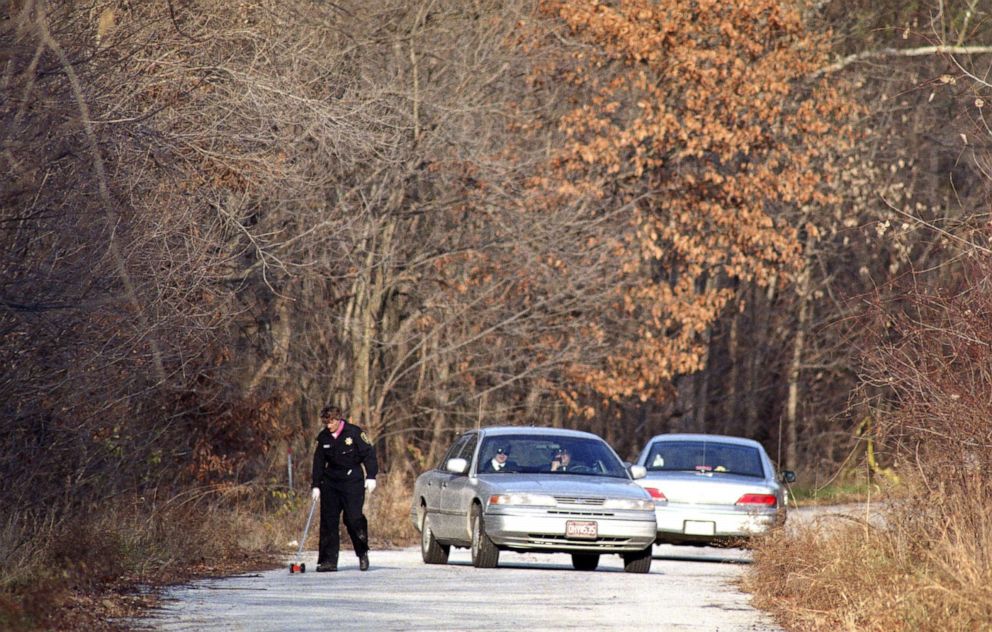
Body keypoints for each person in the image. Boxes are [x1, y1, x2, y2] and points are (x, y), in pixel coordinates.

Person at [310, 405, 378, 572]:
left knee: (353, 519)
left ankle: (362, 553)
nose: (328, 425)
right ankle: (328, 561)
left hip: (352, 481)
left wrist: (371, 476)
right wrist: (316, 485)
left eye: (331, 422)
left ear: (338, 419)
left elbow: (368, 454)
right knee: (328, 521)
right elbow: (318, 463)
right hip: (331, 482)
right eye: (325, 422)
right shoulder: (323, 437)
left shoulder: (354, 433)